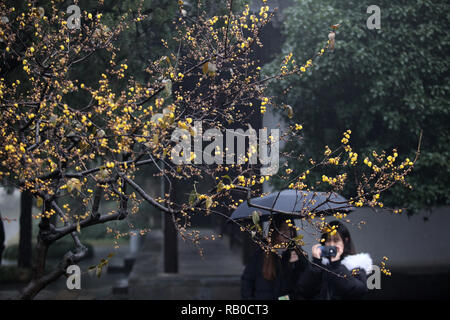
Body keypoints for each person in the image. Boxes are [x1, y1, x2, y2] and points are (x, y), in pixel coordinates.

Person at [296, 220, 373, 300]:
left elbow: (357, 290)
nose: (332, 244)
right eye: (328, 240)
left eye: (336, 240)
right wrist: (316, 262)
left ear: (345, 241)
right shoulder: (321, 265)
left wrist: (336, 264)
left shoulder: (355, 263)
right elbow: (303, 290)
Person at [241, 215, 308, 300]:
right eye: (283, 229)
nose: (287, 233)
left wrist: (295, 265)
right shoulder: (261, 254)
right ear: (275, 231)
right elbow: (247, 281)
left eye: (290, 229)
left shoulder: (298, 253)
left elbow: (304, 284)